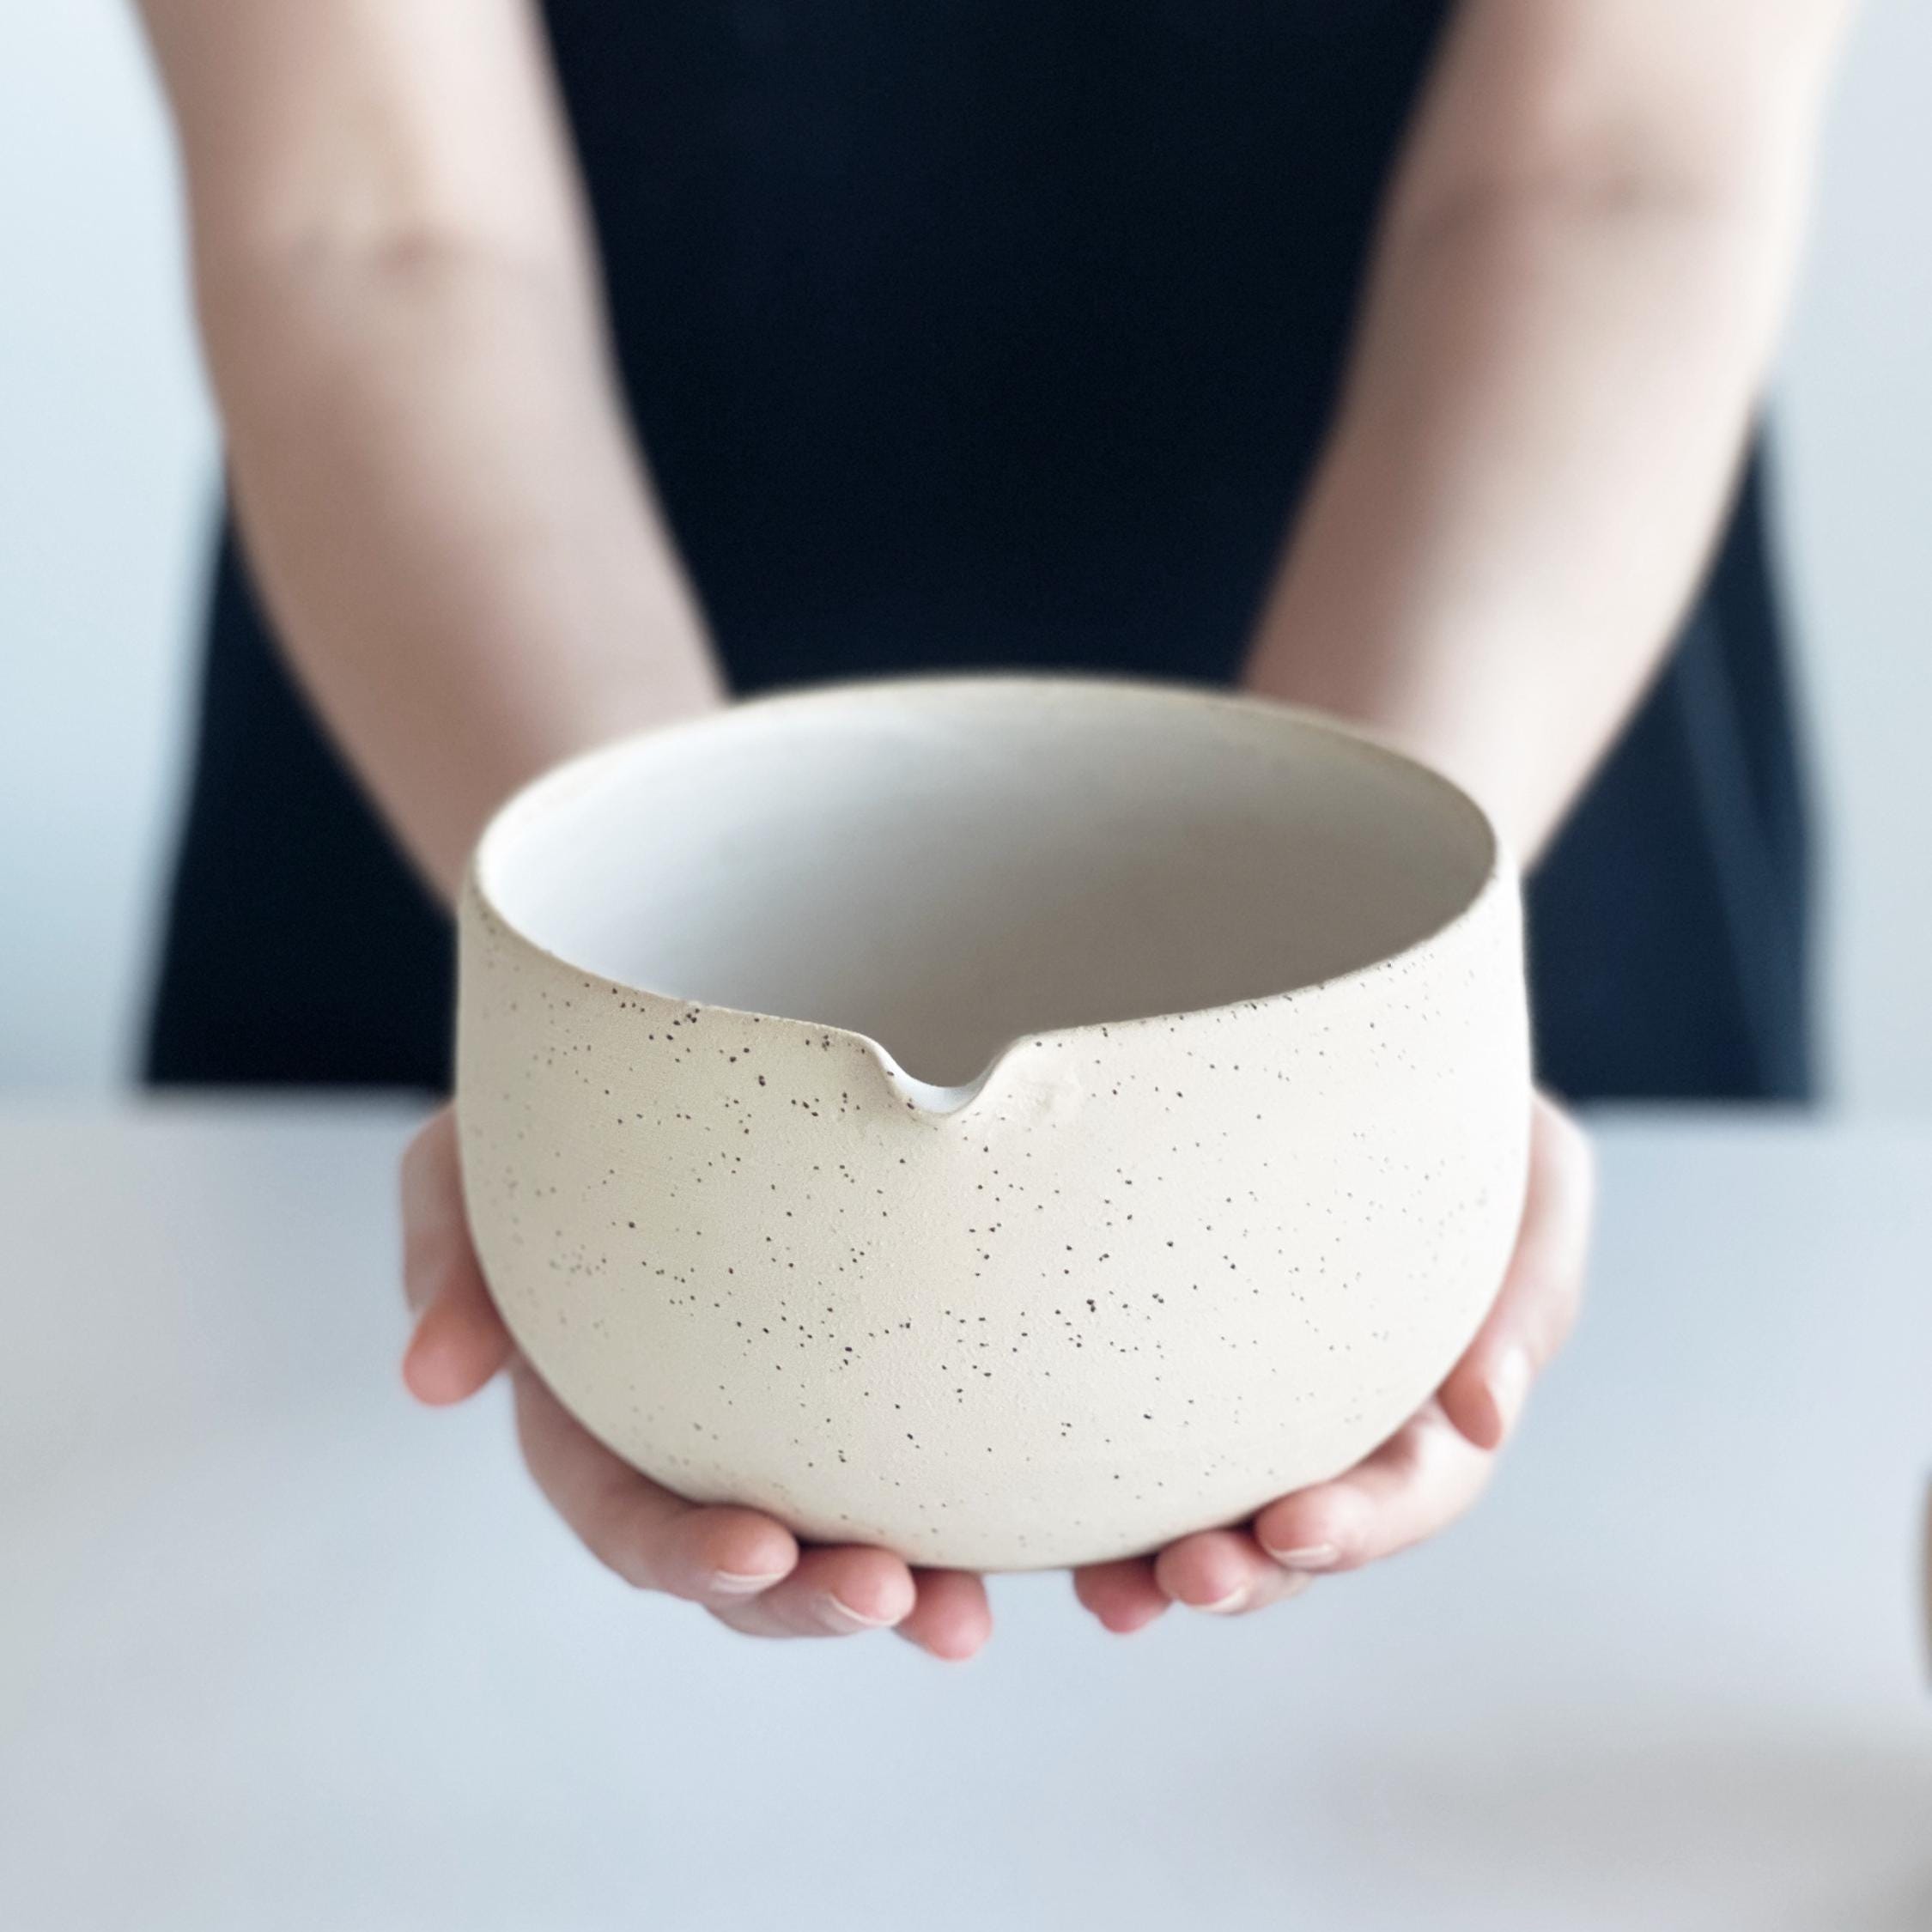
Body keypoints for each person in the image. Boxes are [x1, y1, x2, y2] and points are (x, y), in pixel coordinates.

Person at [131, 0, 1849, 1657]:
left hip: (1495, 668)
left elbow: (1613, 169)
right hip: (477, 698)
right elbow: (372, 229)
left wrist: (1359, 1023)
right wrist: (622, 1016)